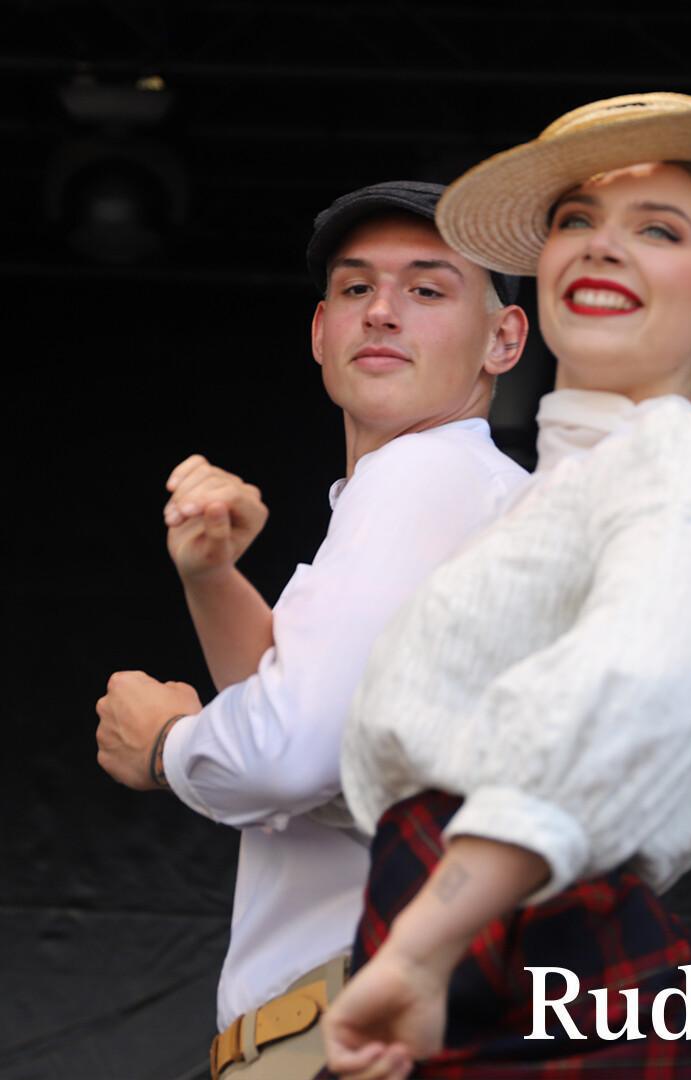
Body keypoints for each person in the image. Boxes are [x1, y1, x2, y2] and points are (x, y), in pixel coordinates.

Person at [316, 94, 691, 1080]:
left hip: (524, 936)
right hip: (476, 927)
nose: (603, 248)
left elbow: (629, 682)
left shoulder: (679, 463)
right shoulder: (554, 497)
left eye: (658, 228)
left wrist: (428, 940)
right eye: (575, 221)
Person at [93, 180, 530, 1080]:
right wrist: (213, 577)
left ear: (504, 339)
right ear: (320, 331)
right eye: (356, 287)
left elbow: (290, 758)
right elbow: (324, 733)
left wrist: (166, 745)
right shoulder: (471, 495)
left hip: (346, 1028)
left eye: (428, 289)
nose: (382, 311)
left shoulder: (420, 478)